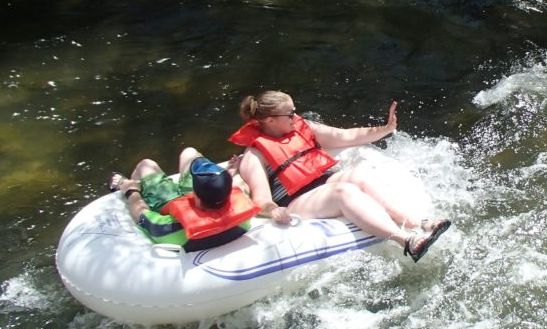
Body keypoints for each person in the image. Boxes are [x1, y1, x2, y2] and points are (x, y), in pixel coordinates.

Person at [230, 90, 450, 262]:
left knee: (360, 175)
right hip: (296, 200)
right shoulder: (255, 154)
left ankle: (414, 223)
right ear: (270, 120)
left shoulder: (302, 128)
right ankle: (406, 241)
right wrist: (273, 210)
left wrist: (385, 128)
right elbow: (261, 199)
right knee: (342, 192)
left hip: (322, 181)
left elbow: (346, 136)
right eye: (289, 114)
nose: (295, 116)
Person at [109, 148, 259, 252]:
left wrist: (131, 190)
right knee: (190, 153)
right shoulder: (244, 218)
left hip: (168, 203)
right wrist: (226, 174)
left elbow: (141, 213)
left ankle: (124, 184)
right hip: (202, 202)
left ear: (195, 193)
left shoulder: (171, 230)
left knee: (146, 165)